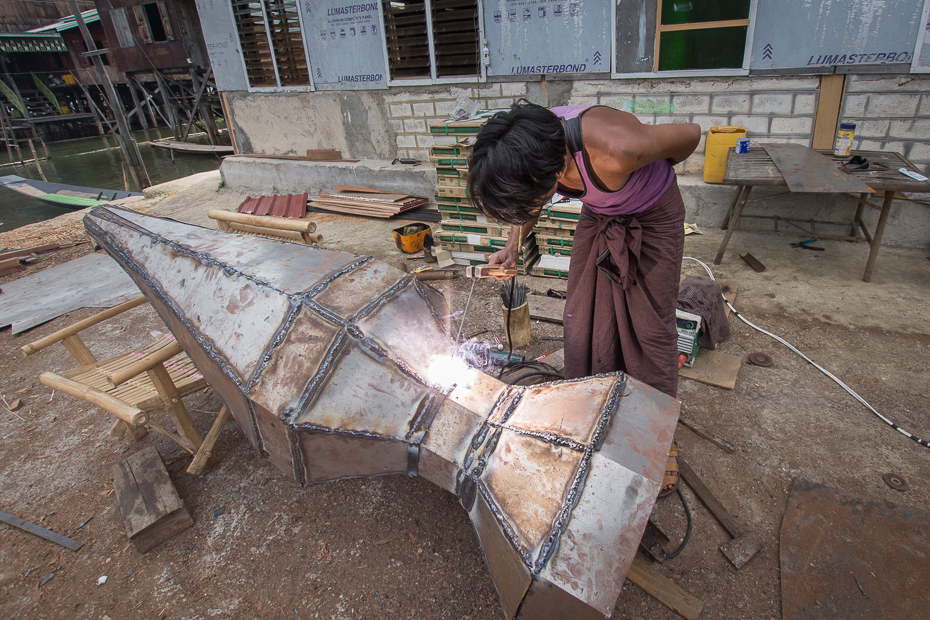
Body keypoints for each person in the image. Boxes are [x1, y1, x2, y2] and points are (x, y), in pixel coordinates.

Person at [467, 100, 700, 496]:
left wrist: (648, 166)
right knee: (583, 313)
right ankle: (590, 403)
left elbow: (691, 135)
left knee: (649, 327)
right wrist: (513, 244)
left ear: (554, 171)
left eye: (533, 199)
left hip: (653, 212)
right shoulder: (530, 148)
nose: (531, 207)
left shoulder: (619, 147)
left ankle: (657, 436)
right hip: (601, 209)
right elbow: (527, 196)